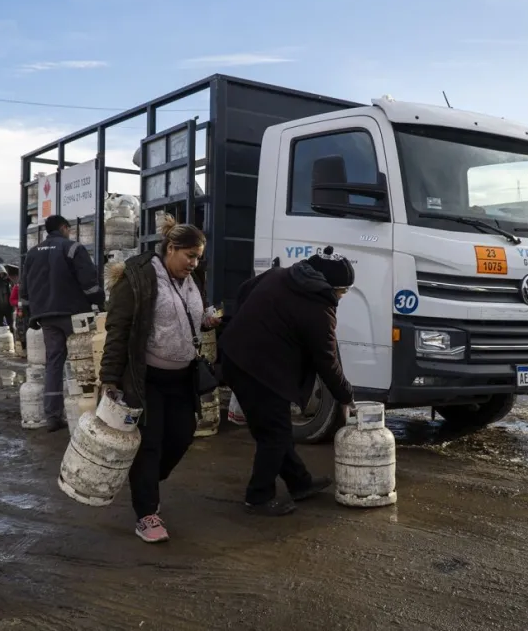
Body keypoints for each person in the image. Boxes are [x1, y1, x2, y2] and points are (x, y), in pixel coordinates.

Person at [100, 216, 221, 543]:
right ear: (171, 248)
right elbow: (118, 329)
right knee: (149, 444)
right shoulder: (138, 278)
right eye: (189, 256)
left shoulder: (193, 278)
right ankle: (146, 514)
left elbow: (189, 315)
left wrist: (207, 320)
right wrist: (110, 378)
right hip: (146, 379)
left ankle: (147, 480)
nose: (194, 263)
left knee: (182, 435)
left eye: (198, 257)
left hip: (183, 378)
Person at [218, 246, 356, 516]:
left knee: (272, 431)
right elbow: (327, 361)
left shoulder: (279, 275)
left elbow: (244, 291)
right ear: (331, 286)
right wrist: (346, 397)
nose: (342, 295)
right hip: (259, 370)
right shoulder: (319, 308)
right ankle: (258, 496)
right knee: (276, 435)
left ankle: (299, 482)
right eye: (343, 290)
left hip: (236, 357)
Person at [20, 215, 106, 432]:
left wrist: (31, 314)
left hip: (46, 317)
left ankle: (53, 416)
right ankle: (89, 413)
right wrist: (101, 302)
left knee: (54, 363)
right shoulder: (72, 248)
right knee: (85, 361)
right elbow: (89, 283)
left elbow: (24, 288)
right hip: (75, 315)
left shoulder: (32, 254)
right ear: (64, 228)